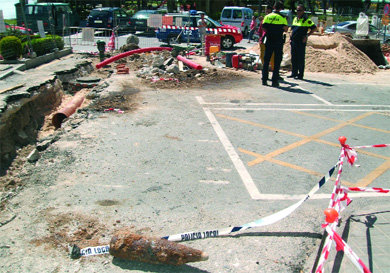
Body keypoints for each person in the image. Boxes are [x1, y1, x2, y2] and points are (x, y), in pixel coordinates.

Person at [261, 1, 288, 87]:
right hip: (278, 41)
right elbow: (286, 29)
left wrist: (270, 32)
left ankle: (264, 80)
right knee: (277, 62)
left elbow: (263, 27)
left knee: (266, 61)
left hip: (269, 40)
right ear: (281, 8)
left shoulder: (267, 16)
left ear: (273, 7)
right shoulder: (283, 17)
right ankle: (274, 81)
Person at [288, 4, 317, 80]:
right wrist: (290, 36)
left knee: (300, 58)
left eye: (300, 10)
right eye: (297, 10)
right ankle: (294, 73)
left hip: (301, 41)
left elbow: (314, 28)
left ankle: (300, 75)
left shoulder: (306, 20)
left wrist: (307, 35)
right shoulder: (295, 19)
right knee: (294, 58)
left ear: (303, 11)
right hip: (294, 41)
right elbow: (292, 29)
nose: (298, 12)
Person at [258, 5, 274, 71]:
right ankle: (265, 69)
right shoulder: (263, 20)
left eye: (267, 10)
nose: (266, 11)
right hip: (263, 40)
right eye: (266, 10)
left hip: (271, 40)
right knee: (262, 55)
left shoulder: (272, 19)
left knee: (272, 56)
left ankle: (273, 69)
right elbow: (260, 31)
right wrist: (260, 38)